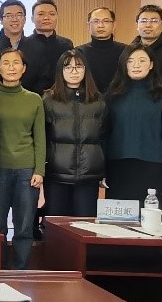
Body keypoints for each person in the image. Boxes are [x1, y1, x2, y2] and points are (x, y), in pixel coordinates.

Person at [103, 44, 162, 207]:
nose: (136, 65)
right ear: (123, 65)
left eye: (142, 60)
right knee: (120, 220)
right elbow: (104, 136)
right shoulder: (111, 96)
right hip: (117, 168)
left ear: (151, 64)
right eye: (130, 61)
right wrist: (101, 171)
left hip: (154, 168)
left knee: (152, 218)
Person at [0, 49, 45, 269]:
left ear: (24, 68)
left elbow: (40, 137)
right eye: (6, 63)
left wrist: (39, 171)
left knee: (24, 226)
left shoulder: (34, 99)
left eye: (16, 63)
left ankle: (20, 272)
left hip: (26, 171)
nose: (11, 67)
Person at [43, 50, 107, 217]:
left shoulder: (98, 101)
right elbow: (42, 137)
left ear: (86, 70)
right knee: (57, 224)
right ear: (60, 71)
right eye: (68, 67)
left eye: (78, 67)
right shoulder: (48, 100)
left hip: (89, 175)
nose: (74, 71)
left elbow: (105, 136)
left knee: (84, 225)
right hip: (56, 174)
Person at [22, 0, 74, 93]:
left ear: (57, 17)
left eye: (52, 14)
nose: (46, 18)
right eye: (41, 14)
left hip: (61, 96)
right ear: (32, 19)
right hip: (31, 97)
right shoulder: (24, 44)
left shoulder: (66, 44)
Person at [0, 0, 41, 86]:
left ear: (25, 19)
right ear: (1, 20)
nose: (14, 19)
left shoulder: (37, 47)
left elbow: (42, 78)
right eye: (9, 16)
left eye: (19, 15)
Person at [76, 7, 126, 96]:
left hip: (119, 99)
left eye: (106, 21)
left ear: (114, 25)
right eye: (96, 21)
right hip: (88, 100)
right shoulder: (79, 52)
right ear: (89, 26)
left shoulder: (125, 50)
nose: (100, 25)